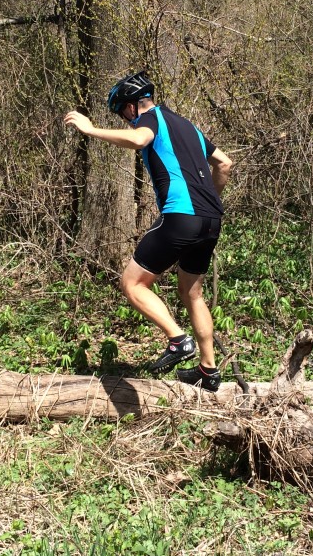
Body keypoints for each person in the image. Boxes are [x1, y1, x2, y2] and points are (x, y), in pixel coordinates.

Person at [63, 71, 233, 392]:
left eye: (122, 114)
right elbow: (224, 164)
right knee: (192, 293)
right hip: (211, 218)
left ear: (131, 106)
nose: (125, 121)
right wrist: (207, 201)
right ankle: (209, 372)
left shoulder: (151, 118)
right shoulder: (189, 127)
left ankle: (178, 340)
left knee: (132, 283)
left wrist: (91, 129)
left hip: (182, 215)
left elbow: (141, 140)